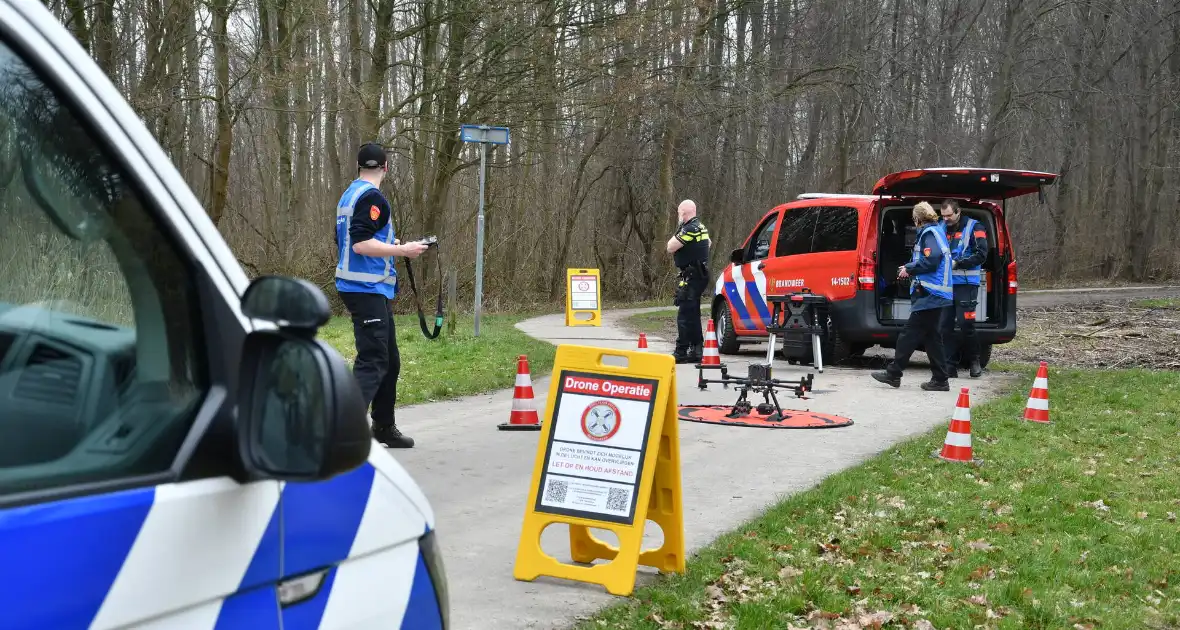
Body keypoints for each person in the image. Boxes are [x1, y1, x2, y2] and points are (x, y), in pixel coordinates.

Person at [335, 142, 429, 448]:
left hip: (363, 287)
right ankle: (344, 434)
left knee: (390, 360)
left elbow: (349, 238)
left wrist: (392, 243)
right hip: (366, 289)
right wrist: (402, 250)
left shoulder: (350, 194)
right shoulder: (373, 197)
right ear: (386, 168)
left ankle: (384, 426)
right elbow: (360, 244)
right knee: (373, 360)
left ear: (359, 167)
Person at [871, 201, 954, 391]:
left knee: (908, 334)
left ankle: (894, 373)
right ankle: (941, 379)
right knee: (933, 339)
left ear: (917, 218)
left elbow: (931, 261)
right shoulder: (937, 231)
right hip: (936, 294)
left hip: (930, 294)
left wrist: (909, 268)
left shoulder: (929, 234)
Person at [938, 198, 989, 378]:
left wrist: (958, 263)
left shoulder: (975, 227)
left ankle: (974, 360)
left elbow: (982, 255)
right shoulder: (940, 228)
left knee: (966, 323)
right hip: (945, 286)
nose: (945, 219)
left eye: (949, 215)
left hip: (966, 285)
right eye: (943, 216)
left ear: (958, 212)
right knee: (944, 326)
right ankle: (949, 365)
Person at [665, 199, 711, 364]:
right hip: (698, 274)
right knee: (692, 313)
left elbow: (670, 246)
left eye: (679, 213)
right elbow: (709, 243)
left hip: (693, 275)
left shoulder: (689, 228)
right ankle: (697, 349)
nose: (678, 216)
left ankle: (682, 350)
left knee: (684, 314)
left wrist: (678, 232)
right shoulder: (701, 227)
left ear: (683, 213)